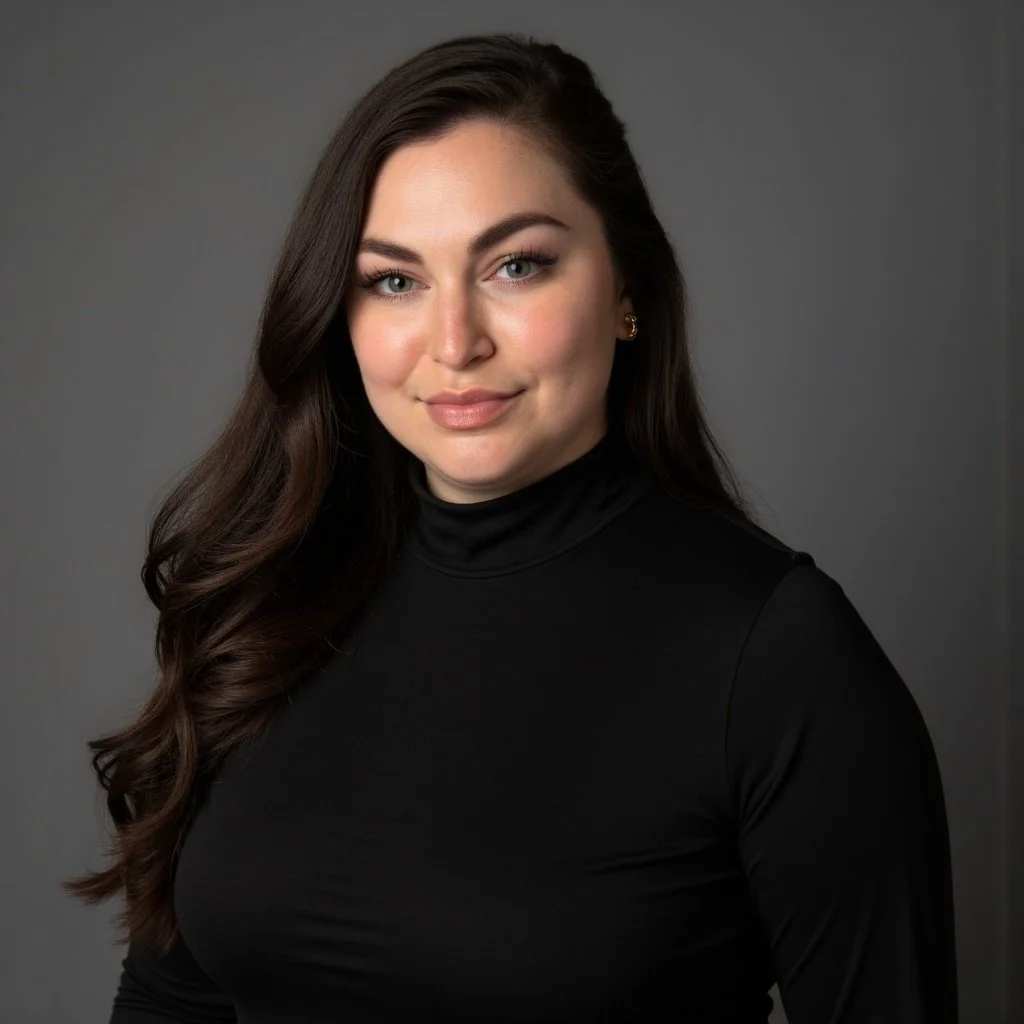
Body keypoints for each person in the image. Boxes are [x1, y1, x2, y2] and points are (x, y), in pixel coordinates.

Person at [63, 31, 959, 1023]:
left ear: (624, 290)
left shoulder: (777, 653)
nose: (455, 342)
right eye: (394, 280)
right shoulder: (268, 602)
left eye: (516, 266)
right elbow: (165, 1003)